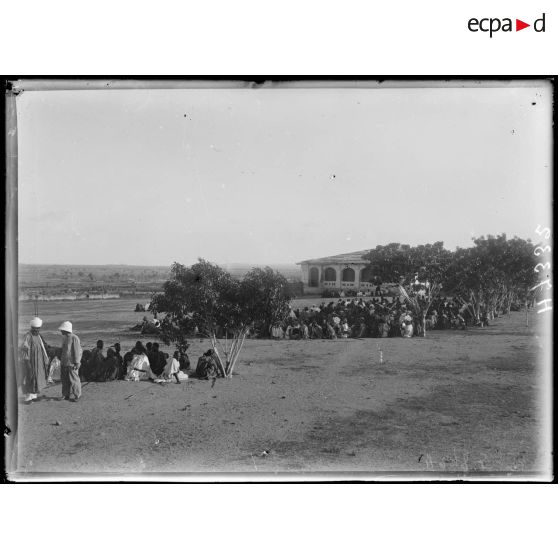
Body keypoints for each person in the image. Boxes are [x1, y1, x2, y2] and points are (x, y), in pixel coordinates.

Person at [20, 317, 50, 403]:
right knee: (30, 377)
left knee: (37, 377)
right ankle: (28, 397)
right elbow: (24, 349)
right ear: (32, 328)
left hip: (39, 361)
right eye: (35, 328)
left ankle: (34, 396)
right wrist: (27, 361)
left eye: (38, 329)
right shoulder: (28, 336)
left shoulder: (39, 336)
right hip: (30, 361)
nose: (36, 330)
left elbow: (43, 347)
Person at [59, 321, 83, 402]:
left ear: (65, 330)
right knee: (64, 380)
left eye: (62, 329)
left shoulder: (74, 338)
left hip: (72, 363)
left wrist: (77, 362)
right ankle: (65, 395)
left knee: (74, 380)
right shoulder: (65, 338)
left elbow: (77, 351)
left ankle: (77, 395)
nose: (61, 331)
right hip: (64, 363)